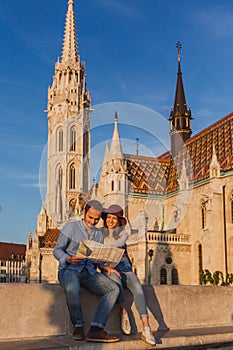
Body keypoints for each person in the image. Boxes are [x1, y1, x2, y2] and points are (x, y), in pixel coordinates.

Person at [53, 199, 120, 343]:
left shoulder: (98, 234)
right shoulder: (70, 227)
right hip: (69, 269)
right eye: (90, 217)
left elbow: (98, 256)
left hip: (89, 272)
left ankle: (96, 329)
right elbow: (57, 250)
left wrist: (105, 266)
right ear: (84, 213)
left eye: (96, 219)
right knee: (72, 288)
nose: (93, 222)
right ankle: (78, 325)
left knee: (113, 289)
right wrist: (68, 258)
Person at [102, 204, 156, 346]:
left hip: (125, 267)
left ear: (119, 221)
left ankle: (146, 328)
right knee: (116, 284)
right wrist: (106, 267)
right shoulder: (99, 235)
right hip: (109, 268)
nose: (111, 221)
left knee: (138, 288)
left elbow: (120, 248)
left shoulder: (123, 234)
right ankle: (124, 312)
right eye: (109, 217)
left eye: (114, 218)